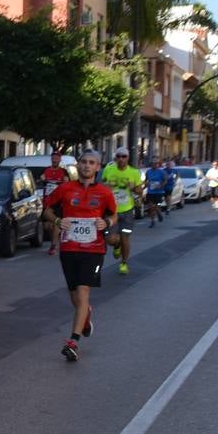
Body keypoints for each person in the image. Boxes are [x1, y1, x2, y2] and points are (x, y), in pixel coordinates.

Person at [41, 149, 117, 363]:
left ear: (98, 167)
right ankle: (85, 315)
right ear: (78, 165)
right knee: (75, 295)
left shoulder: (104, 192)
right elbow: (47, 209)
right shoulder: (65, 189)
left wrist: (108, 223)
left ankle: (73, 341)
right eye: (83, 162)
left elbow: (113, 214)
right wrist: (57, 221)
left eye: (91, 162)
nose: (86, 166)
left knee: (83, 292)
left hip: (94, 250)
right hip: (69, 248)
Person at [100, 147, 142, 276]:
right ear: (115, 158)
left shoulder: (134, 172)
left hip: (127, 210)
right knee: (110, 240)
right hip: (112, 211)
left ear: (128, 158)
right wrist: (107, 186)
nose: (121, 159)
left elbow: (140, 191)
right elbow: (101, 186)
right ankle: (116, 245)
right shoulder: (108, 169)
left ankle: (124, 263)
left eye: (124, 156)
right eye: (118, 156)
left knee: (125, 238)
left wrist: (134, 188)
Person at [39, 150, 70, 256]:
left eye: (57, 158)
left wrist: (62, 182)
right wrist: (43, 179)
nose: (55, 159)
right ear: (51, 159)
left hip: (58, 202)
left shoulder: (63, 171)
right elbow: (41, 177)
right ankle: (58, 235)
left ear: (60, 159)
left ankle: (53, 246)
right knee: (47, 226)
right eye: (53, 158)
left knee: (56, 222)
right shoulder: (46, 170)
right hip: (47, 200)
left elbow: (67, 181)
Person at [143, 158, 167, 226]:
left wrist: (161, 185)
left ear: (158, 164)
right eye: (153, 164)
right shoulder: (148, 172)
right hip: (150, 191)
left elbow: (165, 180)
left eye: (156, 164)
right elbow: (146, 180)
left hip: (158, 192)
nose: (155, 165)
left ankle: (159, 212)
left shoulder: (162, 172)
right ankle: (152, 221)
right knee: (151, 206)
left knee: (156, 205)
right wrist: (145, 184)